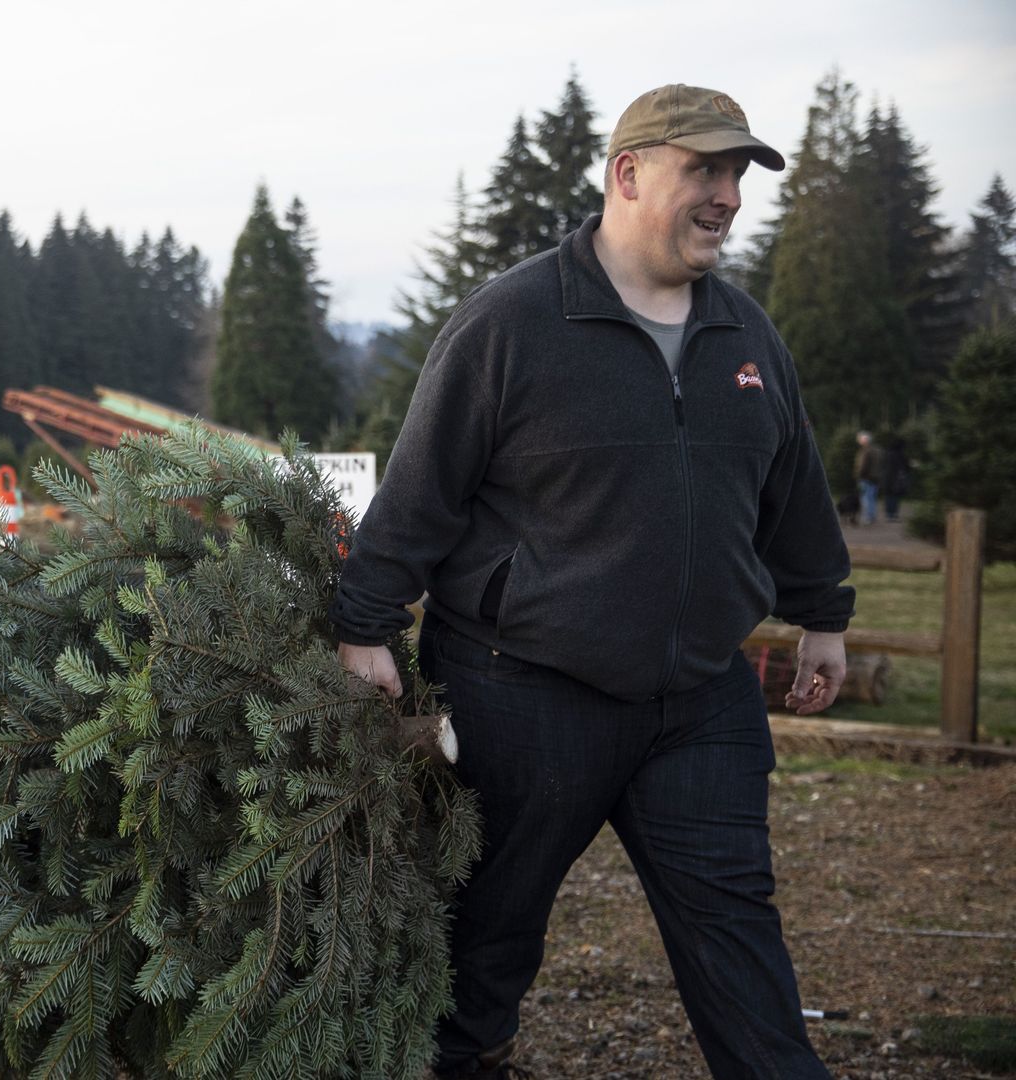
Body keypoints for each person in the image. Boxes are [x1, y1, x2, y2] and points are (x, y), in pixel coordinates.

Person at [331, 84, 851, 1079]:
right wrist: (364, 624)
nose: (728, 196)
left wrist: (821, 612)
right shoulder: (514, 320)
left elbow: (794, 487)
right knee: (486, 932)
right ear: (628, 172)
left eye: (737, 174)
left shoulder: (746, 336)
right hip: (522, 692)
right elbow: (422, 490)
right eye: (704, 168)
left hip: (702, 697)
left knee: (737, 928)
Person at [853, 430, 885, 525]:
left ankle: (867, 517)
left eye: (860, 439)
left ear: (864, 440)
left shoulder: (865, 451)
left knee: (865, 497)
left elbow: (863, 465)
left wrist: (858, 475)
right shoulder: (878, 449)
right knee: (872, 497)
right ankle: (872, 516)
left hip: (866, 477)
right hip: (876, 477)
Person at [882, 436, 912, 523]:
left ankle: (889, 514)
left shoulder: (888, 454)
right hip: (897, 479)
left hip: (888, 478)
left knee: (888, 497)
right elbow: (906, 467)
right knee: (895, 497)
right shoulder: (901, 455)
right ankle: (894, 514)